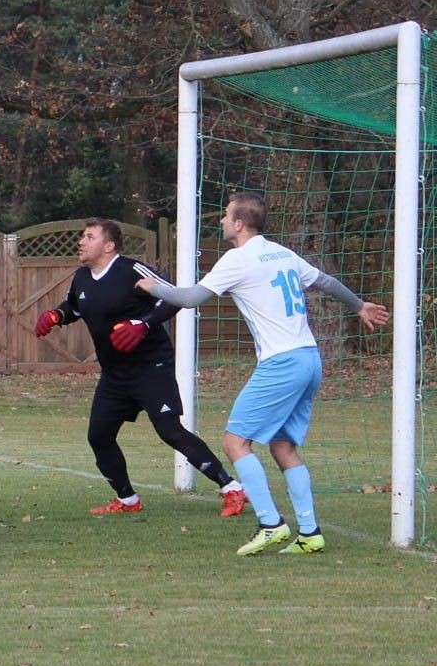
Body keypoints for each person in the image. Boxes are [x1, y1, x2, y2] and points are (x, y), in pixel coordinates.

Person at [136, 192, 390, 555]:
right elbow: (326, 282)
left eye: (226, 215)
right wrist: (359, 305)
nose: (222, 221)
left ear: (239, 223)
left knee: (235, 443)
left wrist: (153, 287)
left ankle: (271, 524)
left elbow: (190, 299)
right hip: (309, 358)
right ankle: (310, 533)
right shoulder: (282, 253)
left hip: (282, 363)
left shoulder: (238, 259)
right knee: (283, 446)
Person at [32, 218, 249, 517]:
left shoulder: (132, 270)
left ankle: (232, 488)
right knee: (99, 436)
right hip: (114, 374)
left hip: (151, 366)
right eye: (83, 236)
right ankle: (128, 500)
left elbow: (173, 298)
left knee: (170, 431)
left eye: (90, 237)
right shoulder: (81, 277)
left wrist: (143, 324)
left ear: (109, 246)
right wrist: (57, 315)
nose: (81, 242)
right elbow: (74, 307)